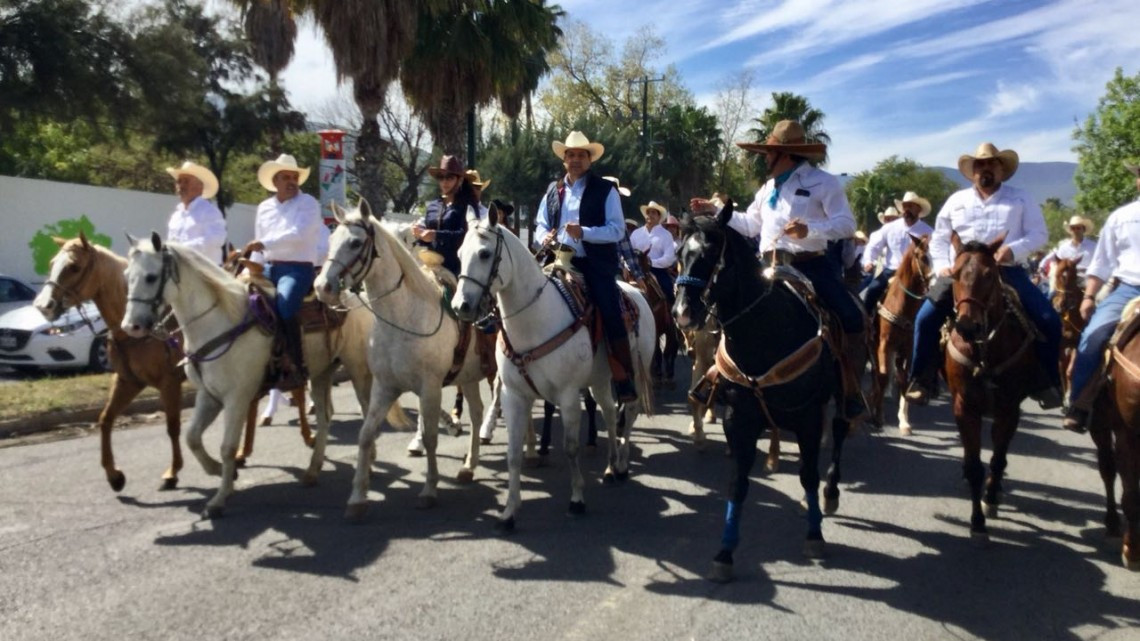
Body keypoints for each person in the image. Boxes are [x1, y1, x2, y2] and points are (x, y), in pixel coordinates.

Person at [690, 119, 866, 418]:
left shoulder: (824, 182)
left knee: (850, 316)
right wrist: (716, 210)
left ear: (784, 154)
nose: (764, 158)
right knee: (727, 309)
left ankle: (850, 388)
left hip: (810, 265)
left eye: (768, 152)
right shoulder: (768, 187)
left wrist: (809, 230)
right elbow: (750, 225)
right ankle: (721, 375)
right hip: (765, 266)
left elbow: (847, 224)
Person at [904, 142, 1063, 408]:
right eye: (980, 164)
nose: (985, 168)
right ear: (973, 171)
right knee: (924, 319)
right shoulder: (956, 201)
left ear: (1001, 169)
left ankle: (1047, 382)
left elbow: (1039, 234)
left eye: (992, 163)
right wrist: (942, 266)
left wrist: (1013, 250)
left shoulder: (1021, 198)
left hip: (1006, 270)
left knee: (1049, 320)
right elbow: (940, 238)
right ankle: (920, 379)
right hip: (961, 273)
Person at [535, 131, 637, 402]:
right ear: (564, 159)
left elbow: (617, 230)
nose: (576, 159)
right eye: (571, 155)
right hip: (556, 259)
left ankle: (623, 376)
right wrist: (543, 237)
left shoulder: (606, 190)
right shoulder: (553, 191)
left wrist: (585, 232)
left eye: (581, 155)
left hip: (594, 263)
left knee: (609, 308)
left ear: (590, 160)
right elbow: (540, 224)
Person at [1062, 161, 1140, 431]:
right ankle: (1079, 403)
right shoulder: (1121, 217)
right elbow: (1103, 263)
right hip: (1130, 287)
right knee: (1092, 336)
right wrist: (1089, 296)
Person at [251, 154, 329, 389]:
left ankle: (296, 364)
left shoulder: (308, 204)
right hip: (267, 268)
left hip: (297, 269)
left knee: (285, 305)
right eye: (286, 177)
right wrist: (251, 267)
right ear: (275, 181)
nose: (291, 181)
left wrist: (264, 244)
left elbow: (299, 234)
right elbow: (258, 242)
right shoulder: (264, 208)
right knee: (241, 300)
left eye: (294, 177)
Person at [861, 192, 935, 312]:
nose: (907, 210)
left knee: (931, 300)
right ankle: (865, 319)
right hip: (891, 271)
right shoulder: (890, 227)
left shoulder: (929, 232)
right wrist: (868, 261)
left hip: (917, 274)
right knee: (873, 290)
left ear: (918, 210)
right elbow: (873, 246)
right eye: (905, 206)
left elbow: (935, 254)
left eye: (910, 206)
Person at [415, 155, 478, 277]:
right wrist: (419, 234)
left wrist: (436, 235)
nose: (445, 182)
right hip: (431, 265)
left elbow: (468, 235)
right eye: (441, 177)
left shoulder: (468, 206)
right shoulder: (432, 206)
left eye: (449, 177)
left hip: (459, 268)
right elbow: (426, 240)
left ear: (459, 180)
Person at [164, 161, 227, 265]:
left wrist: (183, 249)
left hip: (205, 271)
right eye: (179, 181)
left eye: (186, 181)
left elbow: (216, 239)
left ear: (200, 187)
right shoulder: (176, 216)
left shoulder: (209, 211)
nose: (181, 186)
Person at [632, 201, 677, 308]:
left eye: (653, 213)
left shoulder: (666, 235)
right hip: (635, 270)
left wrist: (651, 262)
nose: (650, 215)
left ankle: (671, 314)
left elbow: (669, 258)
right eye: (648, 212)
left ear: (659, 216)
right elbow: (629, 252)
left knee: (668, 290)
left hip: (657, 271)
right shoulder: (636, 233)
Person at [1038, 214, 1098, 287]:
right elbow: (1056, 260)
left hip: (1087, 277)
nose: (1075, 230)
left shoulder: (1093, 246)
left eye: (1078, 228)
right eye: (1073, 228)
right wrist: (1042, 267)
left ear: (1083, 229)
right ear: (1070, 230)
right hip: (1067, 278)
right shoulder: (1064, 247)